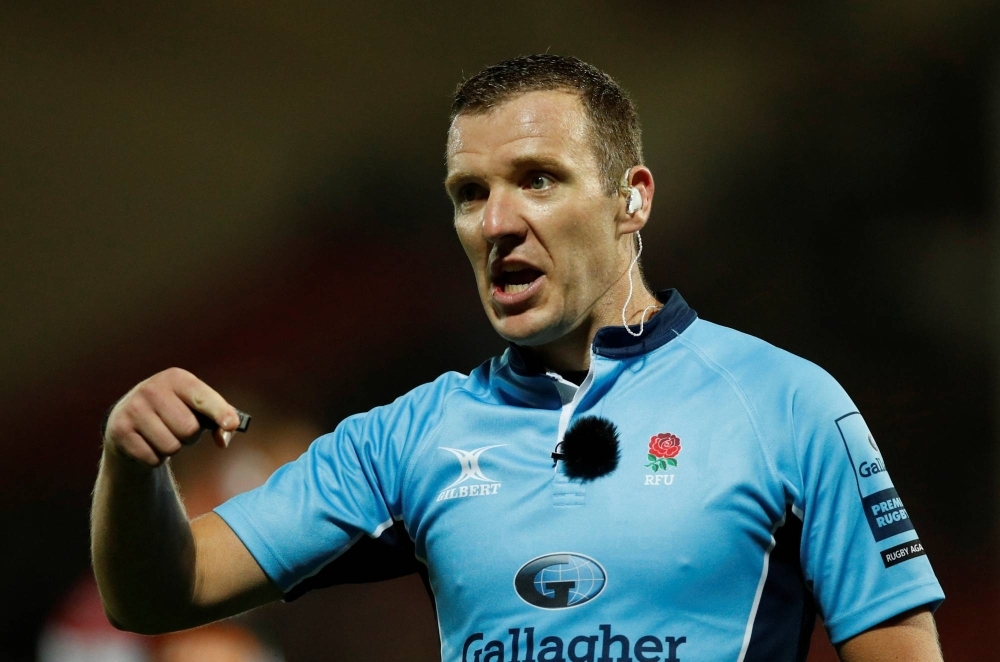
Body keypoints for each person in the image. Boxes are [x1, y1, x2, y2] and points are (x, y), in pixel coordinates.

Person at [92, 55, 945, 661]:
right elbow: (160, 593)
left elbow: (899, 645)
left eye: (537, 179)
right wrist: (129, 468)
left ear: (630, 199)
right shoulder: (410, 436)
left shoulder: (785, 403)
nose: (497, 223)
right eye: (471, 193)